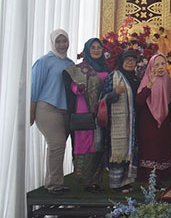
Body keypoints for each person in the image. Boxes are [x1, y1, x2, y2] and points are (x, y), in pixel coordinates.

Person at [63, 38, 110, 192]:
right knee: (85, 144)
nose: (96, 50)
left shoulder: (107, 68)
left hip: (102, 112)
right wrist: (79, 87)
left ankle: (95, 181)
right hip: (84, 110)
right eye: (93, 47)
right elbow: (74, 87)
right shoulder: (80, 69)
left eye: (99, 47)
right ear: (87, 50)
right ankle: (84, 179)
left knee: (99, 144)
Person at [31, 29, 75, 195]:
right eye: (58, 42)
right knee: (57, 144)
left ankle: (54, 181)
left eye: (64, 41)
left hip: (64, 110)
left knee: (57, 147)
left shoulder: (70, 63)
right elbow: (34, 88)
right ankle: (53, 185)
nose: (62, 45)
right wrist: (31, 112)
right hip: (47, 108)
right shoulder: (44, 61)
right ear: (52, 43)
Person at [102, 49, 140, 193]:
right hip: (116, 122)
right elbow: (103, 100)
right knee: (118, 149)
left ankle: (126, 181)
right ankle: (116, 183)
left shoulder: (136, 78)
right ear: (121, 62)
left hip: (133, 121)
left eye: (133, 60)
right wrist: (116, 93)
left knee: (130, 149)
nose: (130, 63)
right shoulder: (113, 77)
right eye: (127, 60)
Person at [137, 53, 171, 185]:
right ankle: (150, 179)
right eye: (157, 64)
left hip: (163, 121)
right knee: (150, 149)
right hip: (149, 122)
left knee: (162, 147)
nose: (160, 67)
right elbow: (140, 100)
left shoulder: (167, 80)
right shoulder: (147, 79)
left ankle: (162, 177)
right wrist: (149, 85)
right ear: (151, 67)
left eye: (163, 64)